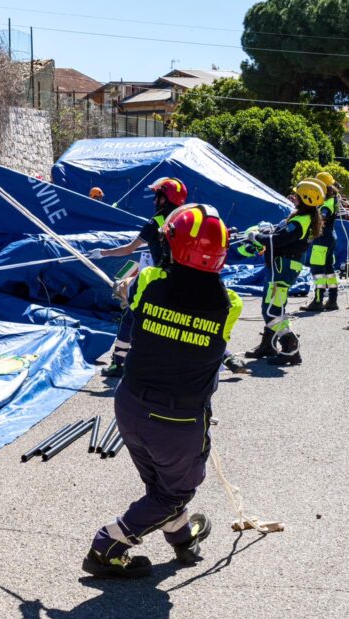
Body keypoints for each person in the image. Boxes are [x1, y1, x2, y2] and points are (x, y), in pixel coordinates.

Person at [83, 203, 243, 578]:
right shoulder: (229, 305)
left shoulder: (148, 281)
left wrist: (122, 287)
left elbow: (128, 289)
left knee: (159, 486)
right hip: (177, 420)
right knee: (172, 494)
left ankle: (182, 537)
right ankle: (107, 545)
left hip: (130, 408)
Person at [91, 177, 187, 377]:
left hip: (161, 278)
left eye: (157, 196)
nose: (154, 201)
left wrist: (104, 253)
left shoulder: (156, 222)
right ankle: (226, 356)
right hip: (186, 277)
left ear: (163, 199)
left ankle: (118, 363)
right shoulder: (184, 218)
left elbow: (129, 249)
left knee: (130, 317)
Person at [243, 178, 325, 365]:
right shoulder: (302, 218)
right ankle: (268, 345)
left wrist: (256, 236)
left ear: (305, 199)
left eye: (297, 195)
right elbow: (280, 231)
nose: (294, 197)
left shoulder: (300, 222)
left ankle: (290, 346)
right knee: (273, 306)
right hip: (283, 267)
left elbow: (278, 240)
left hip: (282, 269)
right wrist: (268, 229)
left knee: (271, 310)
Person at [301, 172, 340, 312]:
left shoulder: (327, 203)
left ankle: (318, 301)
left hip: (322, 239)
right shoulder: (332, 199)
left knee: (317, 270)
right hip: (329, 237)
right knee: (329, 270)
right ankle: (332, 300)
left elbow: (321, 219)